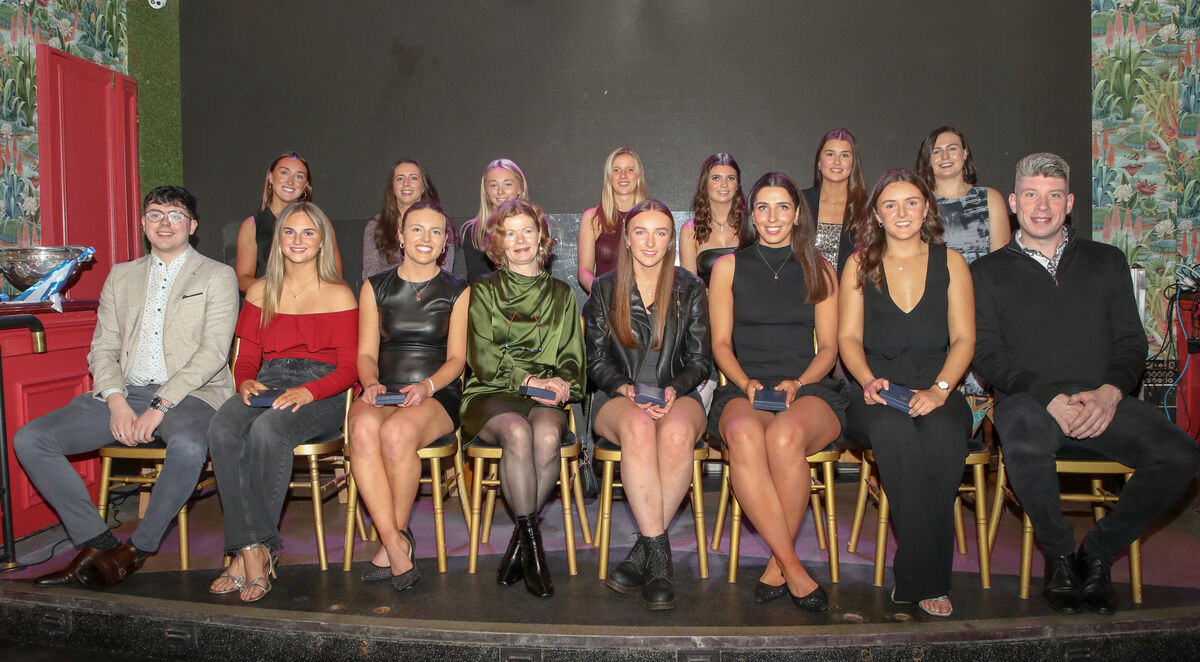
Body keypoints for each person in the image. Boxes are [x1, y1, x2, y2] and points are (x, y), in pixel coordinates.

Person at [971, 152, 1200, 615]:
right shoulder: (986, 272)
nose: (1042, 206)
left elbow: (1132, 343)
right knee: (1024, 443)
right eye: (1031, 195)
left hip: (1102, 398)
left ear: (1069, 202)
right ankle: (1059, 556)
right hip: (1029, 400)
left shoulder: (1107, 260)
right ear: (1013, 202)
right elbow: (988, 355)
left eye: (1053, 196)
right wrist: (1049, 398)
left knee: (1181, 454)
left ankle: (1096, 553)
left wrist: (1110, 393)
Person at [14, 186, 238, 589]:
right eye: (155, 214)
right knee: (31, 439)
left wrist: (159, 405)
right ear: (143, 223)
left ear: (192, 225)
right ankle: (98, 543)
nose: (164, 223)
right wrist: (116, 401)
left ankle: (135, 550)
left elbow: (213, 354)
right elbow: (103, 347)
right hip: (126, 390)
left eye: (175, 215)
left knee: (189, 446)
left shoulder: (217, 276)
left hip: (192, 394)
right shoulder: (121, 275)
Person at [837, 168, 975, 618]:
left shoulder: (951, 262)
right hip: (876, 393)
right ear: (877, 214)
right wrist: (866, 380)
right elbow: (848, 338)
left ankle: (915, 572)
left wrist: (940, 390)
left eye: (911, 202)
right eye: (890, 204)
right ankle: (928, 579)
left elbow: (964, 339)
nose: (902, 212)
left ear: (926, 208)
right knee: (895, 434)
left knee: (944, 439)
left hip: (938, 388)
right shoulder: (859, 264)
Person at [207, 201, 358, 603]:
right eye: (289, 232)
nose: (298, 240)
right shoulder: (260, 291)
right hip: (269, 380)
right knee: (222, 427)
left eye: (308, 232)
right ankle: (251, 549)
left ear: (322, 241)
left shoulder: (340, 294)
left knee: (269, 430)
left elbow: (349, 369)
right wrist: (244, 381)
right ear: (278, 240)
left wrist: (310, 391)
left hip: (323, 388)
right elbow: (246, 358)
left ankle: (254, 553)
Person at [709, 172, 845, 611]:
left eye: (782, 207)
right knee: (745, 435)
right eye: (763, 207)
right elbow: (720, 344)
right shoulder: (728, 267)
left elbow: (829, 348)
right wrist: (745, 383)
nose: (772, 217)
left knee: (785, 437)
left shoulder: (820, 269)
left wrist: (799, 383)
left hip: (807, 388)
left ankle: (778, 565)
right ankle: (792, 566)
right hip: (744, 388)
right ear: (751, 214)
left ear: (797, 213)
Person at [584, 199, 710, 610]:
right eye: (640, 232)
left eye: (660, 233)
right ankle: (660, 563)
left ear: (671, 239)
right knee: (638, 428)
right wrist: (626, 390)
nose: (650, 242)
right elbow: (595, 360)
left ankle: (644, 551)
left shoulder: (691, 287)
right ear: (626, 238)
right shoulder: (604, 287)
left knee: (676, 434)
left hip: (679, 392)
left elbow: (700, 360)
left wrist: (673, 390)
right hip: (618, 395)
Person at [460, 199, 585, 598]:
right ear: (498, 242)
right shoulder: (483, 290)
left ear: (541, 236)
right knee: (517, 432)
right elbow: (481, 357)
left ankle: (520, 544)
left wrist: (562, 381)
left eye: (527, 230)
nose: (520, 240)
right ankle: (534, 546)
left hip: (544, 393)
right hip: (492, 391)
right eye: (509, 233)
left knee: (547, 437)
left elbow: (572, 357)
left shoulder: (562, 294)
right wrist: (527, 378)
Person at [347, 200, 469, 593]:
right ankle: (396, 541)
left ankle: (392, 543)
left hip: (437, 391)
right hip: (383, 388)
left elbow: (458, 360)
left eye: (436, 231)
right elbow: (366, 353)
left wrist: (427, 386)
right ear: (400, 236)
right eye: (416, 229)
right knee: (361, 429)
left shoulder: (458, 290)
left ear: (445, 243)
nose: (425, 238)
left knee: (397, 434)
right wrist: (370, 382)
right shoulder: (374, 286)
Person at [234, 152, 342, 292]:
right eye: (284, 173)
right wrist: (281, 291)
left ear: (306, 185)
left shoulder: (320, 221)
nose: (290, 182)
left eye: (299, 176)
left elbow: (335, 275)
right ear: (270, 177)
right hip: (269, 301)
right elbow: (243, 280)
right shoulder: (252, 225)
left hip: (312, 301)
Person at [914, 126, 1010, 265]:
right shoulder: (919, 203)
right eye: (936, 151)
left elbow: (1001, 261)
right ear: (928, 159)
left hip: (983, 278)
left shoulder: (990, 198)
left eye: (952, 149)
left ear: (965, 153)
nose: (945, 156)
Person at [362, 159, 453, 280]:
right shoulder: (375, 226)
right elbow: (370, 276)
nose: (406, 183)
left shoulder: (441, 223)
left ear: (423, 187)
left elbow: (445, 274)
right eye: (400, 178)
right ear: (392, 187)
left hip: (432, 290)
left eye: (413, 178)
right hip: (386, 291)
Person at [577, 147, 649, 294]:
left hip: (644, 301)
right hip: (604, 302)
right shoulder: (592, 217)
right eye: (616, 170)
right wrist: (601, 294)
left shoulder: (651, 217)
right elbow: (584, 270)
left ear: (638, 175)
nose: (623, 175)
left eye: (629, 169)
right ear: (609, 176)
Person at [801, 129, 867, 274]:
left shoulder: (867, 208)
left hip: (851, 286)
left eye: (845, 155)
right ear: (819, 162)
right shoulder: (799, 202)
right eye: (830, 154)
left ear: (853, 163)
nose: (837, 162)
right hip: (802, 286)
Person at [679, 153, 747, 286]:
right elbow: (691, 289)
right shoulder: (690, 230)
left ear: (737, 185)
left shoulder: (751, 225)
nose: (724, 184)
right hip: (707, 299)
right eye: (716, 178)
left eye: (730, 178)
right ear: (705, 183)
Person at [459, 159, 529, 283]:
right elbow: (476, 279)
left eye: (508, 184)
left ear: (520, 188)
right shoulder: (474, 232)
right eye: (493, 185)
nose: (500, 191)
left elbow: (542, 273)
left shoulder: (535, 227)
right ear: (486, 191)